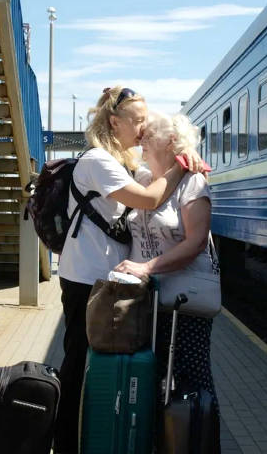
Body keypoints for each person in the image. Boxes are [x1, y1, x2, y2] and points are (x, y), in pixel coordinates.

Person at [53, 86, 202, 454]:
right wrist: (183, 167)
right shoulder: (97, 162)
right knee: (77, 364)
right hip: (85, 280)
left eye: (145, 121)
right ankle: (67, 444)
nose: (143, 128)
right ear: (114, 122)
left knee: (103, 366)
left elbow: (157, 170)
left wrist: (188, 152)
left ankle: (100, 439)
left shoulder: (123, 163)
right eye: (136, 121)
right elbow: (150, 197)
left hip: (110, 281)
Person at [113, 111, 221, 452]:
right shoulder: (145, 178)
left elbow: (196, 241)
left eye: (150, 135)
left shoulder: (193, 182)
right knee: (151, 385)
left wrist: (148, 267)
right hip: (149, 306)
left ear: (172, 143)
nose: (142, 139)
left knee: (190, 385)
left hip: (183, 307)